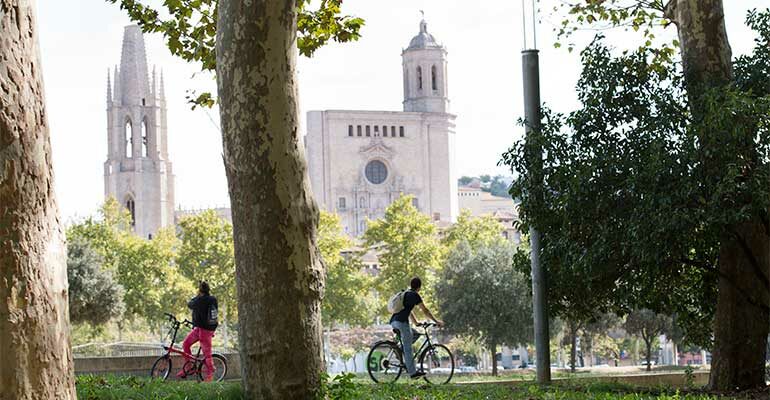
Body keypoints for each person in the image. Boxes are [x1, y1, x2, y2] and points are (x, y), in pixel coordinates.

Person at [389, 276, 443, 379]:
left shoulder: (406, 294)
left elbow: (408, 311)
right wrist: (436, 321)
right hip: (401, 322)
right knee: (408, 348)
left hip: (394, 321)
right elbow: (425, 310)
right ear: (419, 287)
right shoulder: (415, 295)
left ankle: (399, 349)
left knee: (415, 333)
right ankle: (413, 373)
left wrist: (416, 322)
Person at [177, 281, 218, 381]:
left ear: (200, 290)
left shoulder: (199, 300)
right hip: (200, 329)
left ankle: (210, 374)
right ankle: (189, 367)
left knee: (207, 353)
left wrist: (197, 296)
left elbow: (190, 304)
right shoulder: (212, 299)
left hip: (206, 330)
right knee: (186, 344)